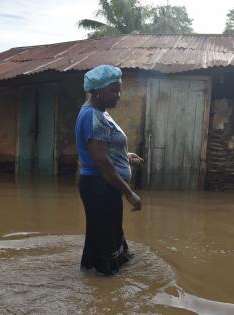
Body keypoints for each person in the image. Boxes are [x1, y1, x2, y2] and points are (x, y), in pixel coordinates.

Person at [75, 64, 144, 276]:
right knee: (104, 235)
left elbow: (106, 150)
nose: (118, 95)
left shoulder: (99, 113)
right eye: (113, 90)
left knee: (107, 233)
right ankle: (102, 286)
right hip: (99, 186)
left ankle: (97, 273)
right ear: (97, 91)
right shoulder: (93, 116)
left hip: (102, 185)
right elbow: (101, 161)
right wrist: (129, 193)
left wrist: (126, 157)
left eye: (119, 90)